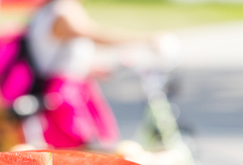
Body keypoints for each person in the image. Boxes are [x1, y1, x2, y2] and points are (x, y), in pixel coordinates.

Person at [23, 0, 154, 149]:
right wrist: (145, 39)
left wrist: (88, 68)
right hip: (65, 94)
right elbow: (95, 34)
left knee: (95, 147)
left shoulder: (51, 10)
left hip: (73, 88)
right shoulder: (61, 12)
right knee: (82, 150)